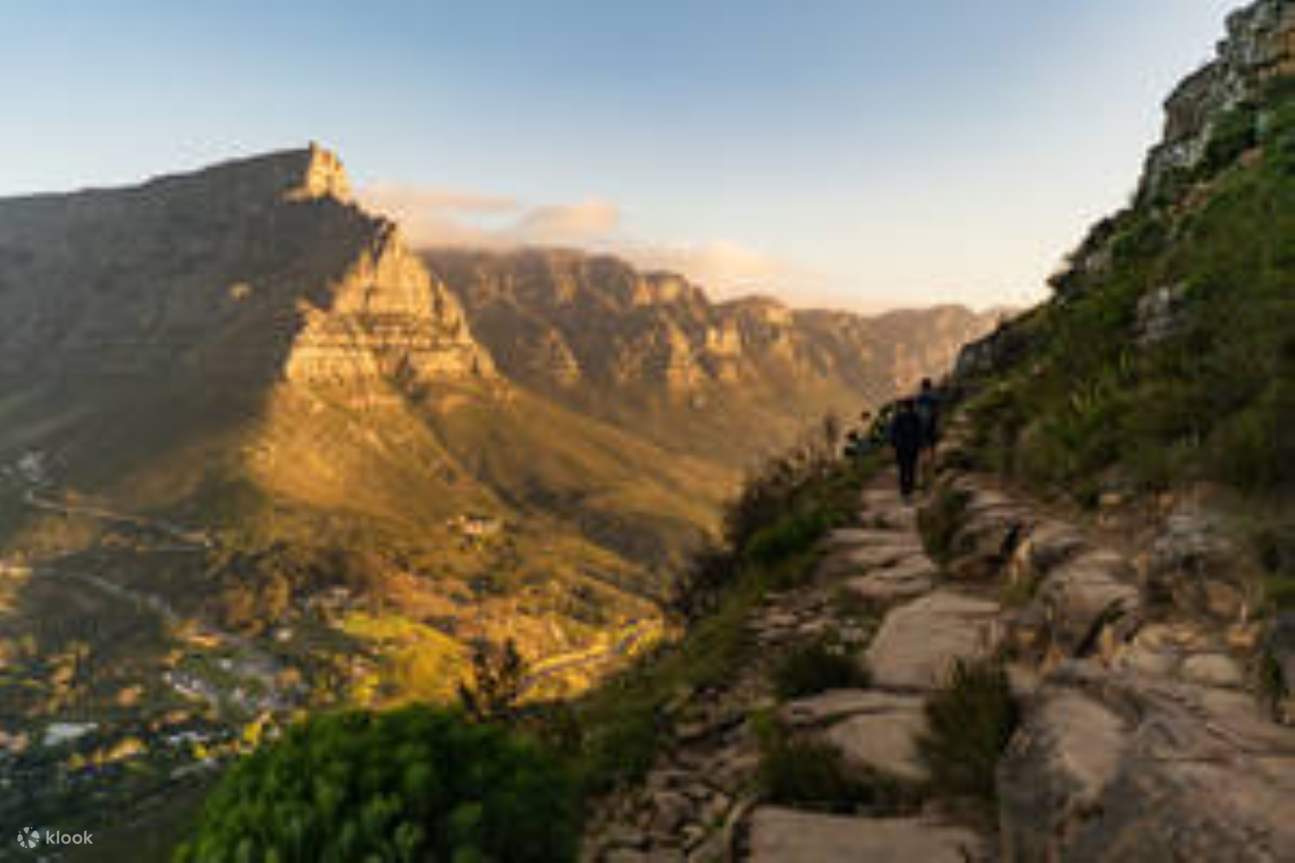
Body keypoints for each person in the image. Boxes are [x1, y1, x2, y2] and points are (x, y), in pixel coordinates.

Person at [888, 398, 924, 501]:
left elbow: (893, 433)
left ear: (904, 406)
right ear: (913, 406)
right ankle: (910, 490)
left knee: (903, 469)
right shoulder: (916, 417)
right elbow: (920, 433)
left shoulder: (898, 417)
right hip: (913, 447)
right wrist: (921, 445)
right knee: (912, 468)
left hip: (901, 447)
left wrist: (893, 445)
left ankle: (904, 491)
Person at [914, 378, 941, 485]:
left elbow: (916, 412)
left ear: (922, 386)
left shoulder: (919, 398)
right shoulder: (935, 397)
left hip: (921, 427)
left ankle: (921, 477)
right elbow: (937, 412)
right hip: (932, 426)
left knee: (921, 451)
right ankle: (933, 472)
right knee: (933, 448)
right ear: (930, 386)